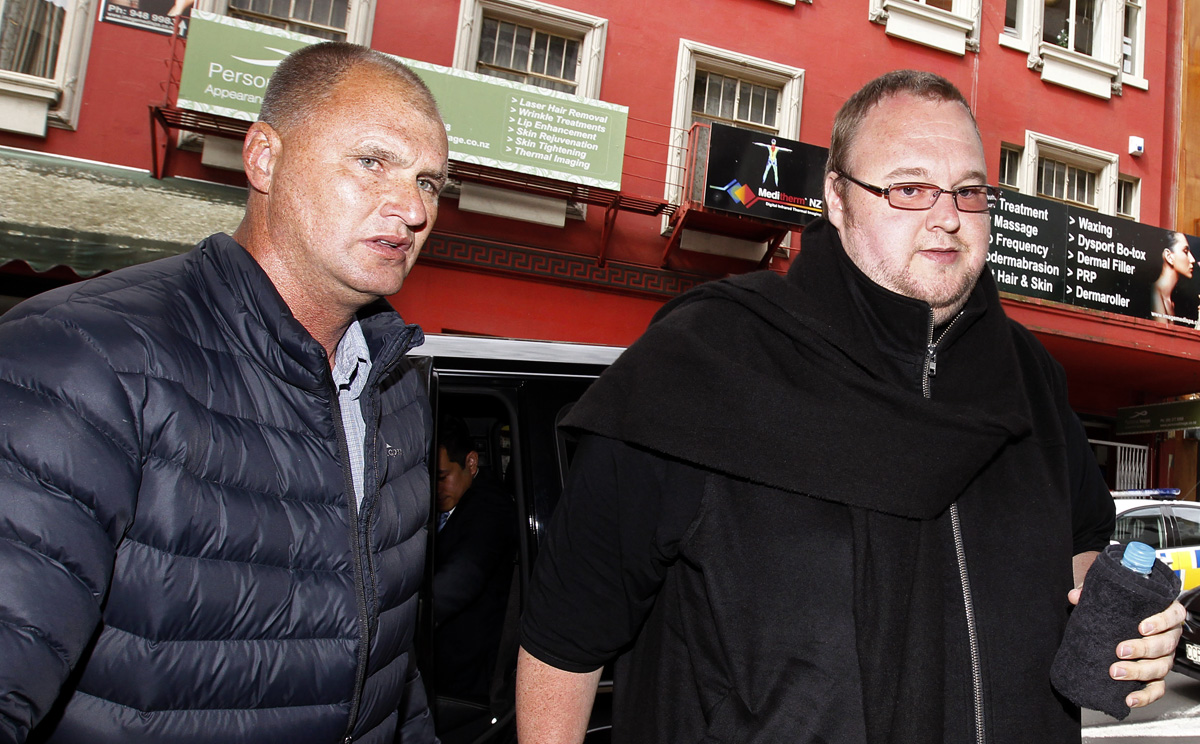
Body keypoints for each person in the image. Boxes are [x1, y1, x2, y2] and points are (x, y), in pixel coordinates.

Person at [515, 70, 1186, 743]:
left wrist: (1132, 632)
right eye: (909, 188)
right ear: (837, 197)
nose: (947, 216)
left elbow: (1079, 548)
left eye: (969, 190)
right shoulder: (707, 361)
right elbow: (564, 638)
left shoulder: (1029, 376)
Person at [0, 42, 448, 743]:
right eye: (372, 162)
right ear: (263, 157)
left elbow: (386, 661)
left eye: (429, 183)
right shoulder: (85, 357)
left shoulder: (397, 391)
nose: (411, 208)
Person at [431, 416, 518, 704]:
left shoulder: (489, 507)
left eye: (443, 477)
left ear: (470, 463)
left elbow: (463, 574)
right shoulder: (453, 502)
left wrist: (412, 615)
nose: (437, 488)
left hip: (468, 672)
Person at [1151, 231, 1195, 320]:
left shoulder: (1171, 301)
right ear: (1169, 256)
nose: (1192, 259)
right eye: (1185, 251)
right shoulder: (1154, 294)